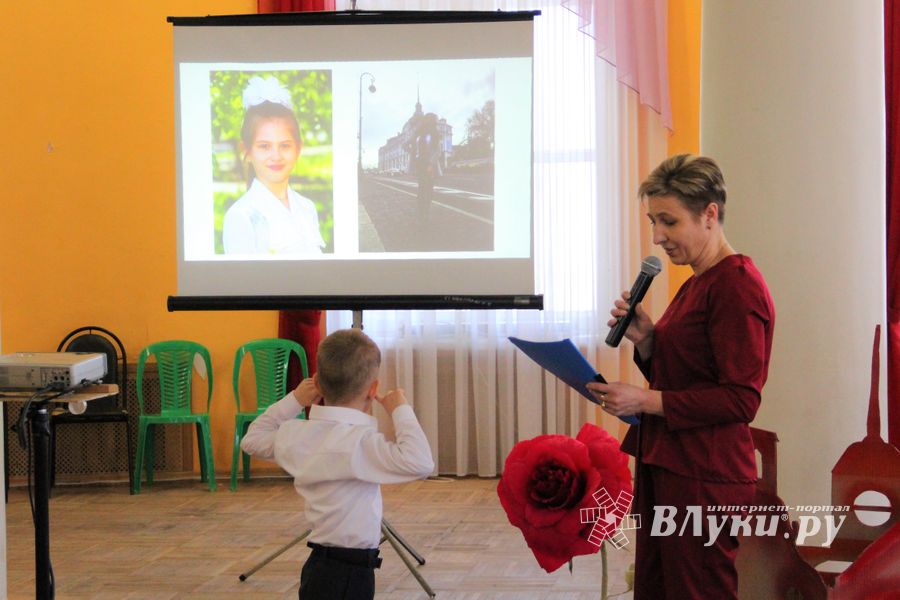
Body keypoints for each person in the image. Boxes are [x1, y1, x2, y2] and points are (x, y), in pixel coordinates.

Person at [586, 154, 775, 599]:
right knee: (657, 589)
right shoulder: (698, 281)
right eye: (654, 221)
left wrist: (644, 401)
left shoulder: (736, 285)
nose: (657, 237)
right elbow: (686, 373)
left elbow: (740, 400)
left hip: (705, 477)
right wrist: (649, 340)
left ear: (709, 213)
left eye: (668, 221)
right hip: (672, 462)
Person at [240, 329, 434, 600]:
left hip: (318, 568)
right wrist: (399, 408)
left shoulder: (298, 435)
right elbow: (421, 462)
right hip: (350, 576)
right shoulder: (361, 443)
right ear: (374, 389)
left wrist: (295, 399)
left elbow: (251, 439)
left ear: (317, 383)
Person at [222, 75, 326, 255]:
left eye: (285, 145)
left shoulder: (307, 207)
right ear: (247, 152)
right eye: (264, 146)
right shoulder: (241, 216)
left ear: (298, 149)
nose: (276, 156)